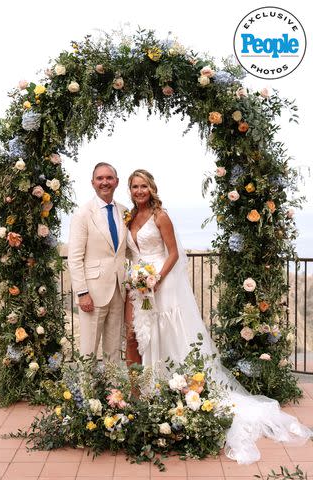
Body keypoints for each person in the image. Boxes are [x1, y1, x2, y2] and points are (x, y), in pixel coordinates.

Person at [125, 169, 312, 464]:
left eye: (143, 186)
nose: (139, 190)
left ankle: (177, 390)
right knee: (146, 336)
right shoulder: (131, 217)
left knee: (170, 333)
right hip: (139, 288)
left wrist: (156, 278)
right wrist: (137, 279)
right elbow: (132, 254)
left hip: (161, 286)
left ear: (152, 188)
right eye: (134, 186)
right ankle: (151, 392)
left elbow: (173, 253)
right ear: (130, 189)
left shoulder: (161, 216)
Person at [68, 162, 127, 361]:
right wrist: (82, 293)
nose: (105, 182)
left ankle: (113, 391)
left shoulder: (124, 211)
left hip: (119, 290)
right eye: (100, 178)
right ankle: (87, 392)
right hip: (92, 293)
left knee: (114, 350)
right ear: (92, 183)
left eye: (109, 178)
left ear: (116, 182)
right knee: (88, 351)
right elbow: (74, 258)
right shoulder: (82, 214)